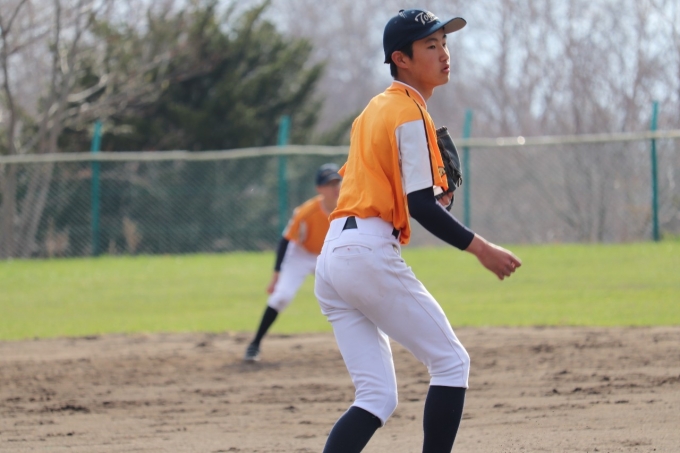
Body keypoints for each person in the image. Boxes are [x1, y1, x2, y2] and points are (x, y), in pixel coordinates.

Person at [313, 9, 522, 452]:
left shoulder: (373, 111)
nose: (444, 54)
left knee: (375, 397)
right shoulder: (409, 111)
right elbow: (419, 205)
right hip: (366, 253)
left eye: (444, 44)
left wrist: (430, 196)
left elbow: (386, 190)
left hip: (334, 257)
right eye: (431, 45)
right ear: (401, 59)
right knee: (451, 363)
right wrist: (481, 248)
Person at [244, 163, 342, 362]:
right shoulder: (306, 212)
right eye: (329, 184)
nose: (335, 188)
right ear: (319, 189)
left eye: (337, 182)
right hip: (301, 254)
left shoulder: (348, 207)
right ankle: (254, 344)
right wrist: (276, 275)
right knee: (281, 297)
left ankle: (356, 346)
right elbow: (285, 241)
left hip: (327, 255)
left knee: (347, 295)